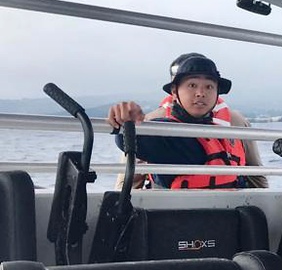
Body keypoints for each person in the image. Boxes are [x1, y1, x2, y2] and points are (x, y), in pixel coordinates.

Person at [107, 53, 268, 189]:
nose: (200, 93)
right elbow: (127, 182)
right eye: (191, 84)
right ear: (174, 90)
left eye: (208, 86)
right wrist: (125, 119)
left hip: (228, 209)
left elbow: (257, 177)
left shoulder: (236, 121)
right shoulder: (151, 123)